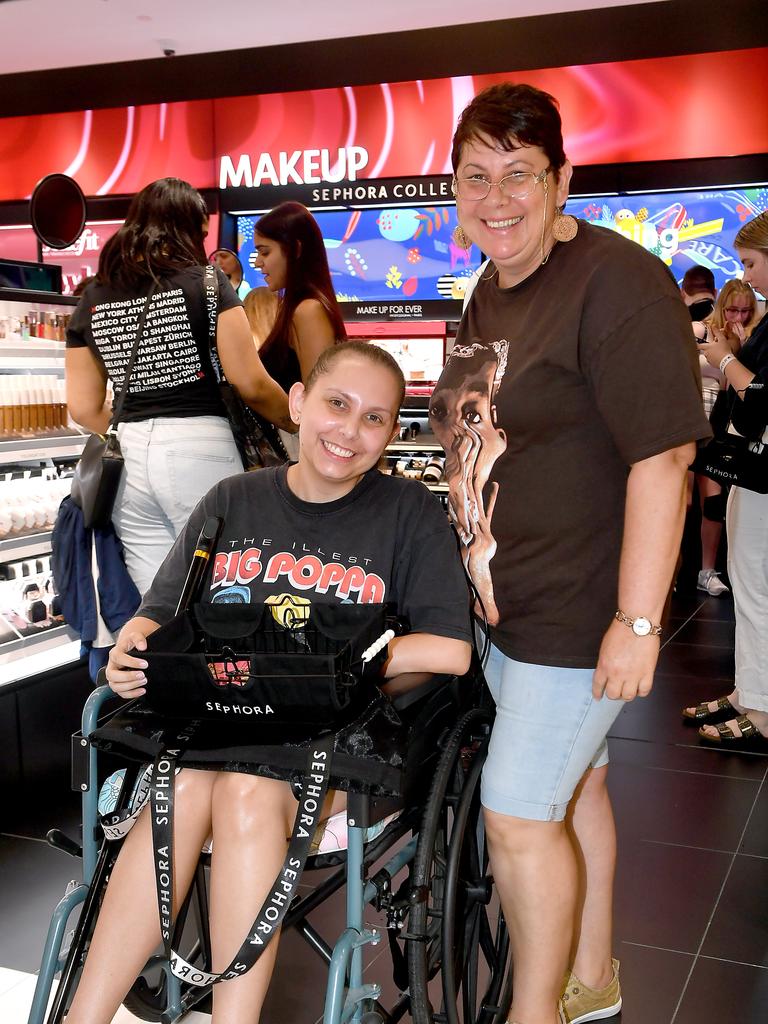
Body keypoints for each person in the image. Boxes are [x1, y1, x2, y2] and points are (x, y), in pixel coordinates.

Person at [63, 341, 472, 1024]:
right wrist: (131, 651)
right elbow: (157, 615)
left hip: (333, 736)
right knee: (177, 788)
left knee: (248, 794)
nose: (349, 431)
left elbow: (452, 653)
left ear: (392, 432)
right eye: (337, 404)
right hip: (218, 725)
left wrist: (337, 661)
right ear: (299, 402)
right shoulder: (232, 501)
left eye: (375, 419)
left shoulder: (408, 515)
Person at [429, 83, 710, 1024]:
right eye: (477, 176)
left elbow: (664, 458)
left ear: (562, 181)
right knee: (576, 785)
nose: (496, 196)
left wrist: (636, 623)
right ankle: (593, 980)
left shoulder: (617, 284)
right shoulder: (486, 292)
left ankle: (535, 1011)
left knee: (516, 816)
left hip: (577, 617)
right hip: (506, 611)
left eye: (520, 174)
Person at [65, 177, 294, 596]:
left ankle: (170, 664)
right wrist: (298, 422)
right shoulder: (206, 282)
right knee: (228, 588)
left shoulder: (93, 296)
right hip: (200, 444)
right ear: (189, 229)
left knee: (161, 602)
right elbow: (251, 382)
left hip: (127, 457)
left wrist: (139, 427)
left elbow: (82, 408)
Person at [683, 211, 768, 747]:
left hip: (764, 473)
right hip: (753, 470)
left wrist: (722, 360)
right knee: (749, 585)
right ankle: (750, 693)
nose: (748, 276)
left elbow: (761, 400)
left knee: (757, 589)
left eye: (752, 264)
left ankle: (761, 710)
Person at [689, 279, 759, 596]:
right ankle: (675, 572)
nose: (738, 317)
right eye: (733, 309)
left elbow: (744, 390)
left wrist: (737, 354)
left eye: (745, 310)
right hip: (693, 419)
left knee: (714, 500)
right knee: (683, 500)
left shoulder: (754, 338)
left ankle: (708, 570)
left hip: (722, 424)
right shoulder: (702, 330)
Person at [253, 200, 346, 389]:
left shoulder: (308, 310)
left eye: (265, 252)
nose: (257, 263)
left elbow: (317, 395)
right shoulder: (299, 307)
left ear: (296, 249)